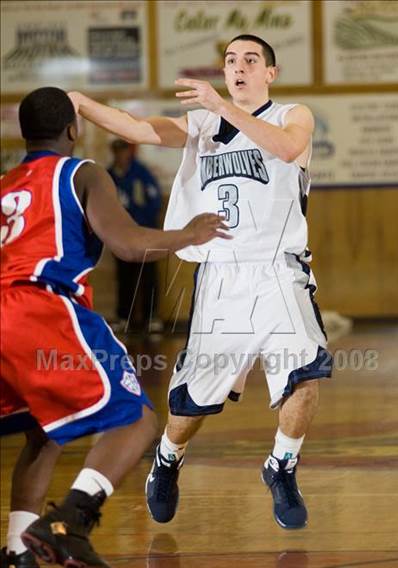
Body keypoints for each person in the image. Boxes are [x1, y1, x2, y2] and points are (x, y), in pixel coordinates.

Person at [68, 34, 333, 532]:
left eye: (250, 60)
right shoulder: (201, 125)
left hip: (280, 269)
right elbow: (137, 128)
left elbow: (288, 147)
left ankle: (282, 464)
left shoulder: (293, 115)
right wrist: (82, 102)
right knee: (190, 405)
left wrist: (219, 106)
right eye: (231, 60)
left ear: (269, 73)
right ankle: (168, 458)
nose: (238, 67)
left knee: (307, 373)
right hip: (221, 277)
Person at [0, 87, 229, 567]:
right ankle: (69, 522)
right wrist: (189, 233)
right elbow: (127, 243)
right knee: (136, 420)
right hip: (40, 307)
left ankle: (17, 550)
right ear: (73, 130)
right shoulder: (81, 171)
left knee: (45, 431)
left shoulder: (6, 183)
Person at [108, 139, 162, 332]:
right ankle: (124, 317)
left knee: (148, 276)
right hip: (122, 236)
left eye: (123, 151)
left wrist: (141, 221)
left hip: (145, 233)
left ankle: (151, 317)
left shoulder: (141, 173)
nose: (121, 156)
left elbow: (154, 201)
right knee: (125, 276)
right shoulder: (110, 175)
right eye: (117, 152)